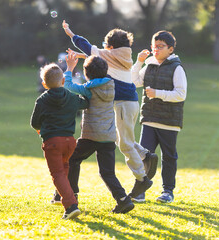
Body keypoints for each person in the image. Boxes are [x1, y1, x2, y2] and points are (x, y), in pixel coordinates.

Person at [61, 20, 158, 202]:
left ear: (111, 46)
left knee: (125, 144)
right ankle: (145, 155)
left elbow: (87, 46)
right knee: (124, 139)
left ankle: (142, 179)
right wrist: (83, 57)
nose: (103, 48)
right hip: (130, 103)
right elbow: (98, 58)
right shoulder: (123, 56)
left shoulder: (109, 55)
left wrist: (70, 34)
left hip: (122, 104)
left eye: (105, 46)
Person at [57, 51, 135, 214]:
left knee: (72, 160)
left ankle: (72, 196)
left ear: (87, 74)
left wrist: (69, 68)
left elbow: (69, 86)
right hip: (108, 136)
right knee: (107, 172)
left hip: (91, 135)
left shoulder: (88, 89)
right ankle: (123, 199)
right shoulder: (111, 85)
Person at [131, 30, 187, 203]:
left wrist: (157, 93)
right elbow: (133, 82)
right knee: (143, 156)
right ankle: (140, 190)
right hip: (149, 119)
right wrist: (139, 62)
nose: (156, 49)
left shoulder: (177, 68)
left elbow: (181, 94)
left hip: (169, 122)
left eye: (160, 46)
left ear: (170, 49)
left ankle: (167, 191)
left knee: (169, 157)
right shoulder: (149, 65)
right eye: (154, 46)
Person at [30, 63, 89, 219]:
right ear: (63, 81)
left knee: (57, 174)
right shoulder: (71, 97)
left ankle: (71, 205)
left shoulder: (42, 99)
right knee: (64, 168)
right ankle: (59, 196)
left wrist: (40, 129)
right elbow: (85, 103)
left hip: (53, 142)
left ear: (44, 84)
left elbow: (34, 123)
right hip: (70, 141)